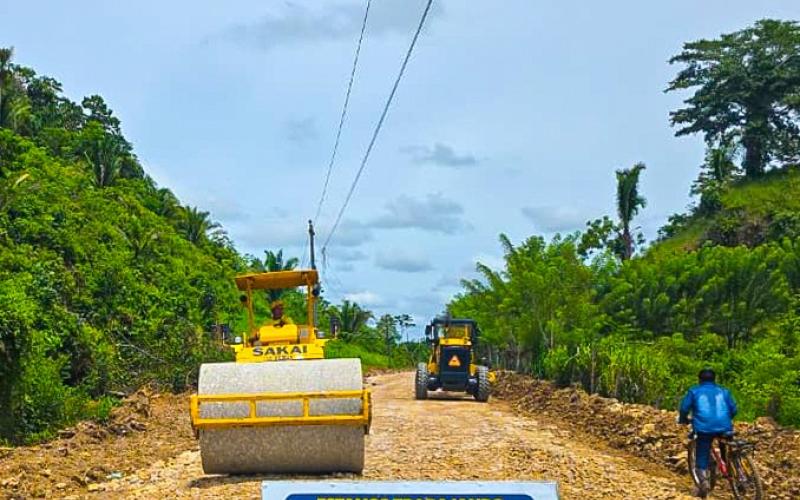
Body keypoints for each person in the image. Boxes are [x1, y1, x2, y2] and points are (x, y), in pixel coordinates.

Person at [679, 368, 738, 497]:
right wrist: (726, 419)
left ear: (699, 380)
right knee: (728, 445)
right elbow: (734, 409)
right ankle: (735, 469)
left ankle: (703, 484)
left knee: (702, 452)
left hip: (704, 428)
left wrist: (683, 419)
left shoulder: (694, 391)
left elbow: (684, 408)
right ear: (714, 380)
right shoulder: (724, 391)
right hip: (725, 427)